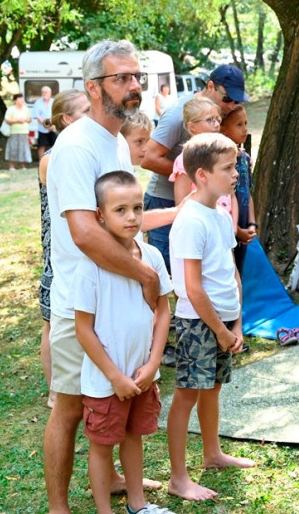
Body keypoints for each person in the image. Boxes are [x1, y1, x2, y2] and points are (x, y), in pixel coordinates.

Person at [44, 40, 163, 512]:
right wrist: (145, 276)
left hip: (119, 298)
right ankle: (59, 508)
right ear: (93, 88)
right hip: (81, 304)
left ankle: (113, 478)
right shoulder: (75, 146)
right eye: (122, 78)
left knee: (115, 400)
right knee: (71, 407)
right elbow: (85, 234)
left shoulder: (114, 140)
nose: (134, 86)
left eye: (137, 77)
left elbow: (122, 218)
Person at [73, 171, 174, 514]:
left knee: (134, 437)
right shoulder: (90, 268)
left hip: (142, 374)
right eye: (120, 210)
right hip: (107, 382)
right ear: (100, 215)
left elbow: (163, 311)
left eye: (137, 208)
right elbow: (83, 330)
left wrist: (154, 362)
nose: (132, 217)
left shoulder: (152, 255)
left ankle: (138, 505)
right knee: (102, 446)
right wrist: (115, 377)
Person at [166, 133, 255, 502]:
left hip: (222, 323)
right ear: (202, 175)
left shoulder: (219, 213)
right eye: (228, 168)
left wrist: (236, 323)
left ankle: (213, 453)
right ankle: (178, 478)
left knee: (212, 388)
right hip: (198, 323)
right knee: (187, 394)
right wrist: (219, 330)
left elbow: (231, 272)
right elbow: (192, 288)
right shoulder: (190, 221)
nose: (236, 174)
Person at [141, 65, 249, 272]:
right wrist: (198, 177)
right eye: (227, 99)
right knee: (172, 269)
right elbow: (148, 158)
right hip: (166, 200)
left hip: (205, 205)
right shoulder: (178, 114)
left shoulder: (217, 115)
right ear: (211, 86)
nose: (231, 106)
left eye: (237, 101)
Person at [38, 89, 91, 410]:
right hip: (56, 249)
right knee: (52, 322)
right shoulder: (52, 157)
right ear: (67, 119)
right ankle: (55, 392)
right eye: (85, 110)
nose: (92, 114)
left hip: (72, 247)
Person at [219, 105, 257, 274]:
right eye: (239, 124)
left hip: (243, 228)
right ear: (224, 130)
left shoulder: (245, 158)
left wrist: (252, 224)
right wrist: (237, 230)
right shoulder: (220, 160)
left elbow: (248, 193)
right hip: (227, 228)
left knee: (239, 272)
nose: (245, 129)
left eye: (246, 123)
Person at [170, 98, 225, 207]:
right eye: (209, 120)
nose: (216, 124)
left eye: (218, 119)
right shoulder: (185, 160)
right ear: (192, 127)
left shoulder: (221, 154)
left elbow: (230, 195)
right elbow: (182, 204)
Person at [4, 93, 32, 170]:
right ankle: (12, 166)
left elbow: (29, 119)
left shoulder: (26, 109)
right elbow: (7, 120)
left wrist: (25, 120)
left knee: (23, 148)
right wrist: (17, 120)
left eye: (22, 99)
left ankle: (23, 166)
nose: (21, 100)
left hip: (24, 131)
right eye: (20, 99)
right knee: (13, 148)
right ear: (15, 100)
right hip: (14, 132)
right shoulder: (11, 109)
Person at [34, 86, 57, 157]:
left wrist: (51, 125)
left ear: (50, 93)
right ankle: (41, 161)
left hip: (53, 128)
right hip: (42, 129)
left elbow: (56, 113)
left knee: (54, 145)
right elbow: (37, 116)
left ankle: (52, 160)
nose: (44, 94)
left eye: (46, 92)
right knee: (42, 146)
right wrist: (46, 125)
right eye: (43, 92)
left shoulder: (54, 102)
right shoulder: (38, 102)